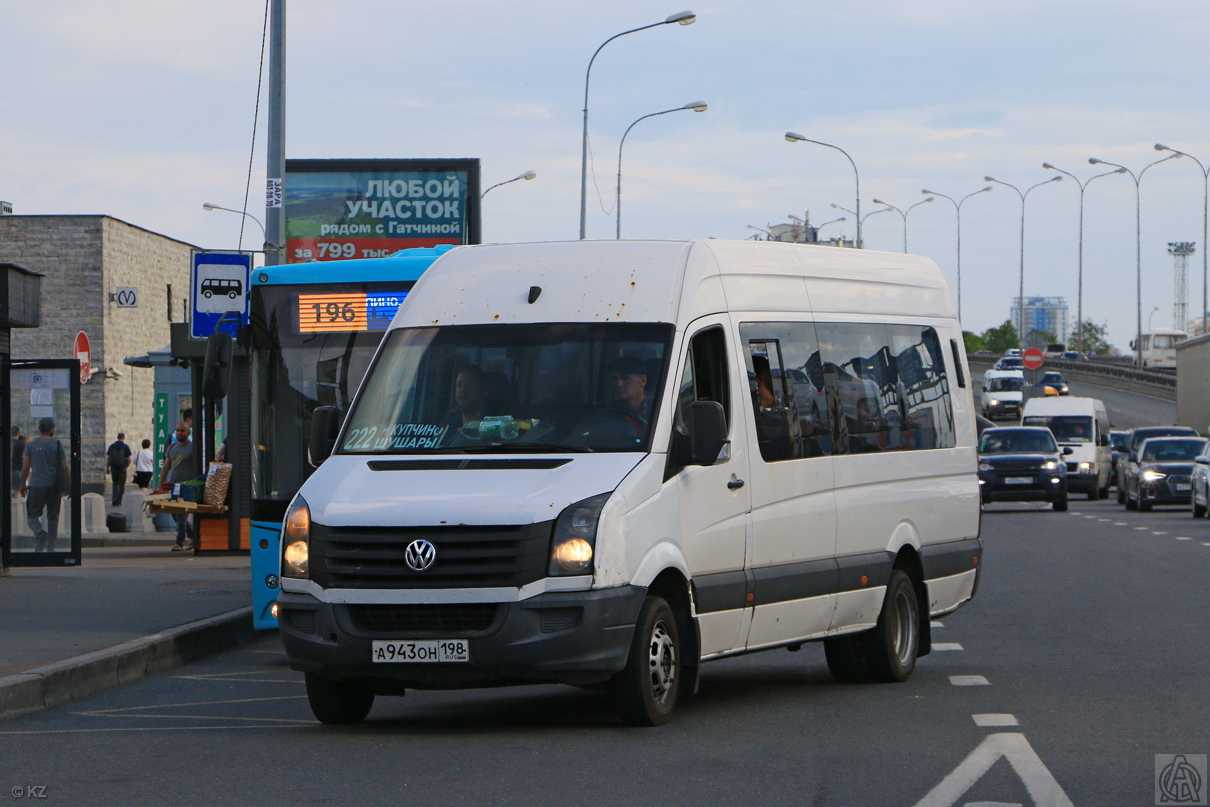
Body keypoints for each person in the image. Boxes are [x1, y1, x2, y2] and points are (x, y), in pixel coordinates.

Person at [20, 417, 69, 552]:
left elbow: (25, 468)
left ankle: (40, 533)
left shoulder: (30, 445)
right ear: (52, 429)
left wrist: (23, 485)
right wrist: (69, 485)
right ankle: (51, 546)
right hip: (54, 486)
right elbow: (66, 467)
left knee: (32, 516)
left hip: (36, 485)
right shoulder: (57, 444)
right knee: (53, 517)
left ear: (39, 429)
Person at [160, 423, 195, 551]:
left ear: (188, 433)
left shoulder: (193, 447)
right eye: (178, 431)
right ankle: (193, 536)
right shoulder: (172, 448)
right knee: (174, 511)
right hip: (173, 486)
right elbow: (166, 467)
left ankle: (179, 542)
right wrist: (160, 485)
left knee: (181, 514)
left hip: (187, 487)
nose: (180, 433)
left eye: (182, 431)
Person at [607, 355, 651, 424]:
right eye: (615, 378)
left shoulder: (658, 410)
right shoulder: (609, 412)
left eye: (626, 378)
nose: (618, 384)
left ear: (643, 381)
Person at [446, 365, 487, 432]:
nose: (462, 390)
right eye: (459, 385)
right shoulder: (447, 425)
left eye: (469, 385)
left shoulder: (494, 423)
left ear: (484, 391)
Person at [106, 432, 132, 506]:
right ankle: (119, 501)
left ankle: (114, 499)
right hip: (122, 467)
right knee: (121, 484)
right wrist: (126, 465)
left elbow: (107, 458)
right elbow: (129, 458)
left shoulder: (112, 446)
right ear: (123, 438)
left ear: (117, 437)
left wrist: (107, 468)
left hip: (113, 468)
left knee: (115, 484)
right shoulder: (125, 447)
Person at [11, 426, 26, 499]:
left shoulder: (4, 443)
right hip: (18, 470)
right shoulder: (22, 445)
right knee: (17, 492)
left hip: (6, 471)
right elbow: (25, 458)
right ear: (19, 433)